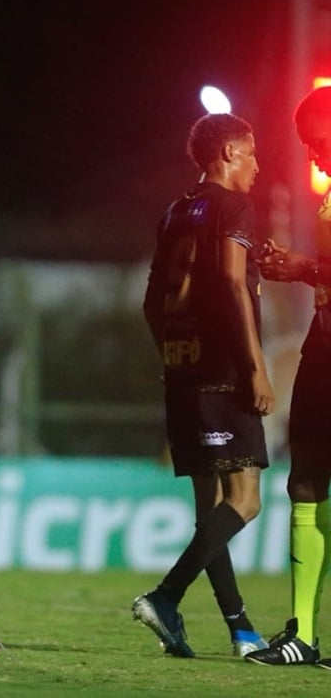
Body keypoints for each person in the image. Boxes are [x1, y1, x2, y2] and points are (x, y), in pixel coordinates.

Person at [132, 112, 272, 659]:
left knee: (209, 507)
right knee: (246, 500)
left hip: (182, 370)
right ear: (227, 154)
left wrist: (173, 352)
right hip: (224, 370)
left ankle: (239, 630)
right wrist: (256, 367)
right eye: (252, 153)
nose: (259, 165)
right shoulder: (234, 207)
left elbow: (150, 301)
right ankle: (166, 596)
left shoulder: (173, 212)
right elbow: (234, 281)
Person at [248, 85, 331, 668]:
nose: (314, 157)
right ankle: (303, 633)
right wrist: (303, 271)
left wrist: (305, 266)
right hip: (323, 347)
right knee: (304, 480)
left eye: (319, 143)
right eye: (306, 147)